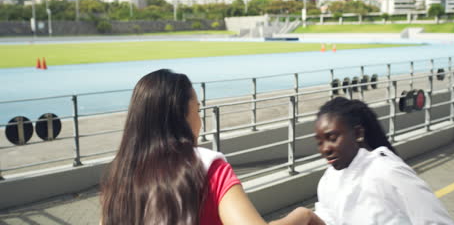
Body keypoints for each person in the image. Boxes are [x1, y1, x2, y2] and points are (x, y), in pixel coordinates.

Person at [100, 69, 323, 225]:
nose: (200, 120)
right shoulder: (208, 168)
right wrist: (301, 216)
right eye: (197, 110)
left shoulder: (119, 176)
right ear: (180, 116)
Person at [313, 97, 454, 225]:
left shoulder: (388, 172)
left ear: (357, 134)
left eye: (332, 138)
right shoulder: (328, 179)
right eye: (319, 142)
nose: (325, 149)